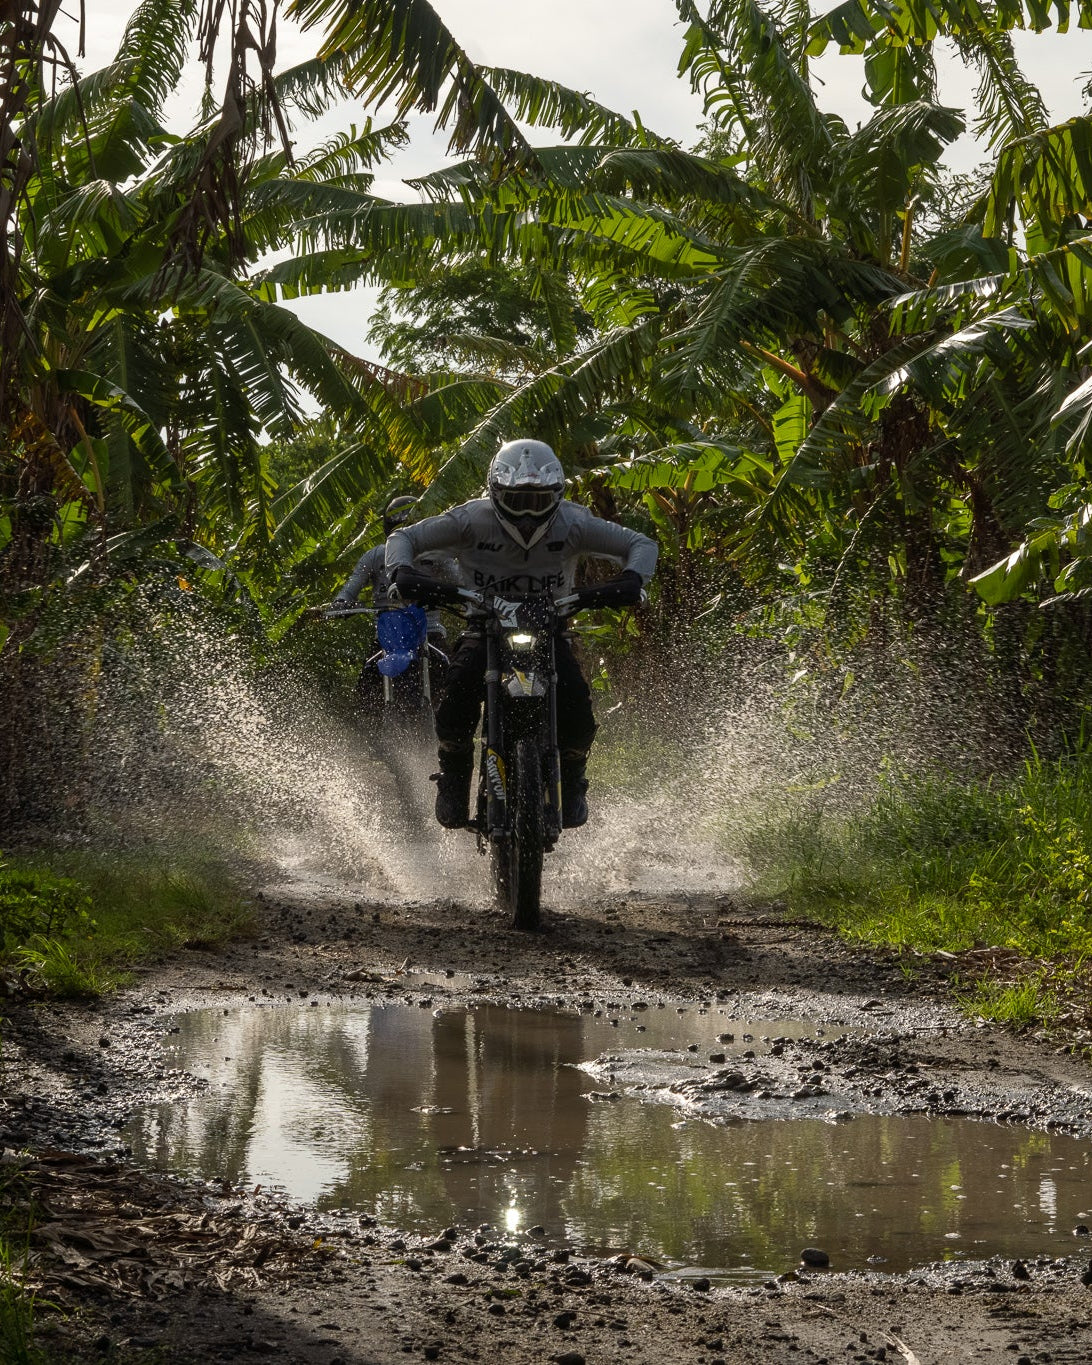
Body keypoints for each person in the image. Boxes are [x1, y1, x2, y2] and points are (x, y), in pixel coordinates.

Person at [384, 439, 657, 828]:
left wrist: (632, 578)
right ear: (496, 493)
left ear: (557, 495)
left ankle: (574, 779)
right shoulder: (469, 520)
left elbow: (640, 543)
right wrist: (401, 571)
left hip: (550, 629)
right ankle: (454, 778)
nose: (528, 512)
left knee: (578, 706)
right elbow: (403, 537)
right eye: (517, 499)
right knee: (455, 702)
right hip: (485, 627)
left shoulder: (574, 522)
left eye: (538, 499)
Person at [332, 496, 451, 714]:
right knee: (365, 690)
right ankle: (369, 740)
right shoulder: (375, 556)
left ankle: (452, 738)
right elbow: (352, 586)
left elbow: (460, 580)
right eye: (399, 529)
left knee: (454, 680)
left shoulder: (438, 557)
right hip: (389, 635)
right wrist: (341, 602)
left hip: (430, 632)